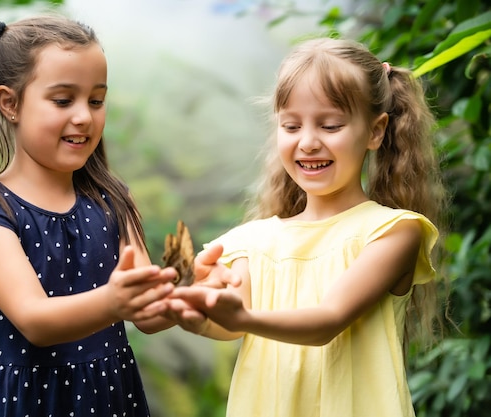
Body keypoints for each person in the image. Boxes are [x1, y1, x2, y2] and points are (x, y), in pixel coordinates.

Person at [167, 37, 447, 417]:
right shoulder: (252, 241)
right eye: (292, 125)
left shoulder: (392, 232)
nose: (308, 142)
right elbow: (231, 326)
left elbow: (328, 320)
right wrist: (196, 311)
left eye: (330, 125)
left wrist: (243, 317)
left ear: (375, 132)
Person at [0, 15, 177, 417]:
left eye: (96, 100)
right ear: (10, 103)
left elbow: (148, 313)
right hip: (22, 403)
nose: (84, 116)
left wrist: (194, 292)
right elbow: (35, 320)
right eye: (63, 100)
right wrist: (116, 300)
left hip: (110, 399)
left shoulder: (114, 200)